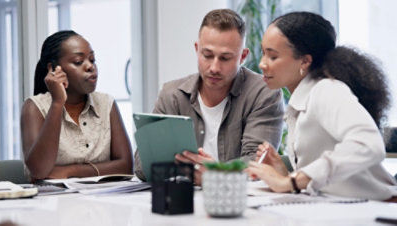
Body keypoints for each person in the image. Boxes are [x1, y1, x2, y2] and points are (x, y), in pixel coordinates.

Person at [246, 11, 397, 201]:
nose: (261, 64)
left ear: (305, 61)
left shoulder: (326, 90)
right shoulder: (301, 100)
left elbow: (369, 144)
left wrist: (292, 181)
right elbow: (329, 179)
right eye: (263, 53)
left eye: (273, 57)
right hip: (341, 207)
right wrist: (285, 174)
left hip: (379, 208)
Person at [134, 9, 285, 184]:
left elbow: (257, 163)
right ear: (197, 49)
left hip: (236, 200)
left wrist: (216, 173)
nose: (214, 67)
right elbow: (141, 167)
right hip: (181, 197)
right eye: (207, 55)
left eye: (225, 58)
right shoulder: (172, 95)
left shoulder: (263, 93)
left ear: (243, 56)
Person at [21, 30, 133, 181]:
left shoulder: (106, 103)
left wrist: (70, 171)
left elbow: (126, 167)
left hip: (102, 200)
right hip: (52, 202)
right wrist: (57, 102)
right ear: (54, 69)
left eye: (92, 60)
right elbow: (40, 170)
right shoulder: (34, 107)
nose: (90, 67)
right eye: (78, 62)